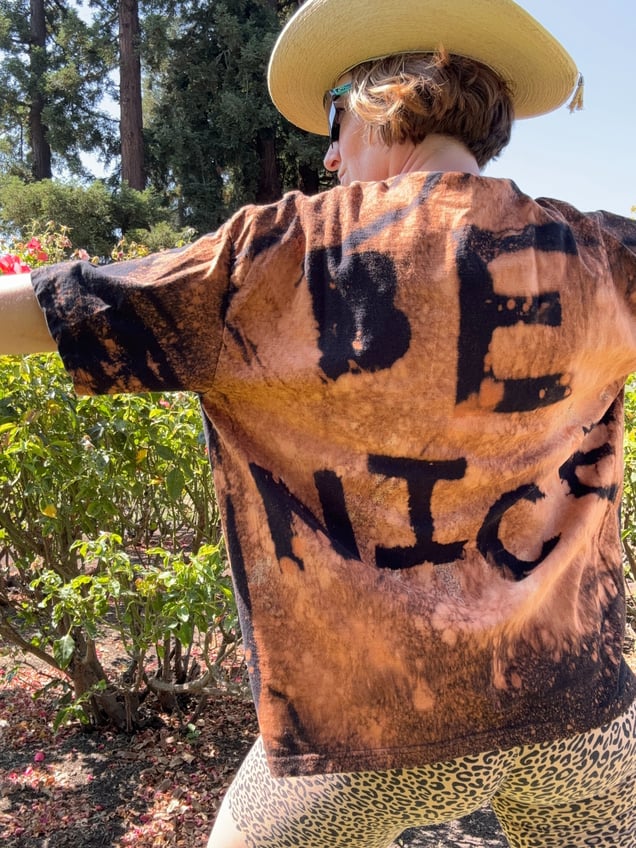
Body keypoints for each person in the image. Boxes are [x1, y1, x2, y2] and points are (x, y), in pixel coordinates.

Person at [1, 0, 635, 845]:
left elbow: (55, 311)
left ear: (384, 101)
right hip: (582, 713)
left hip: (373, 734)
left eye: (335, 120)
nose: (330, 154)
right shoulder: (604, 255)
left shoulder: (281, 257)